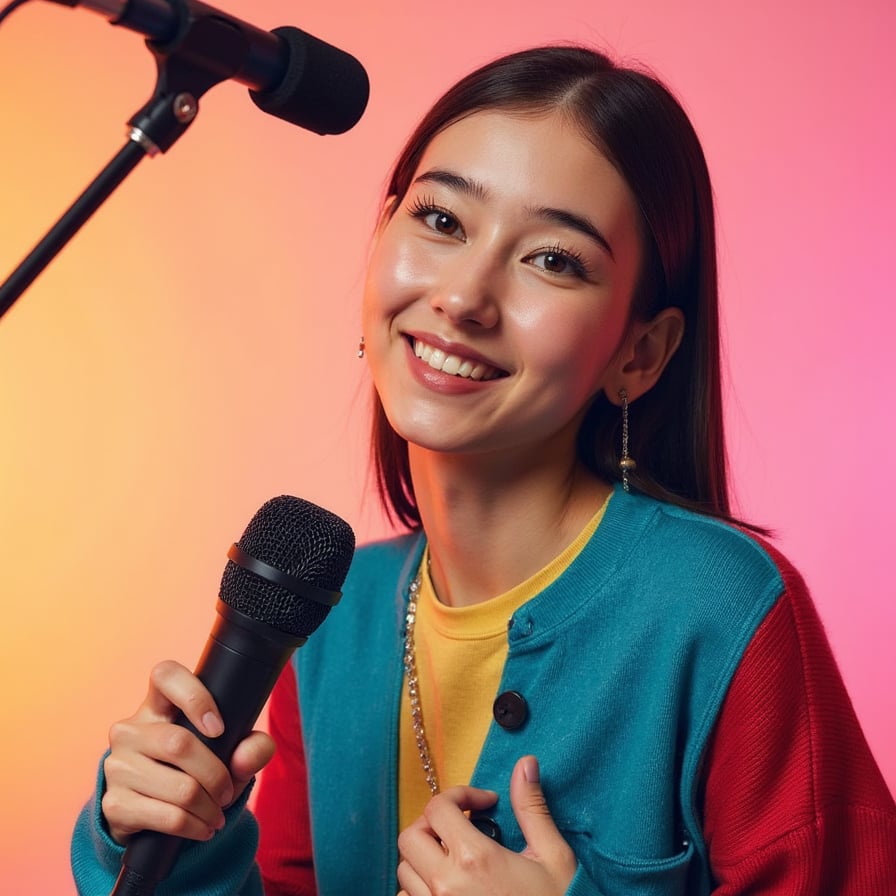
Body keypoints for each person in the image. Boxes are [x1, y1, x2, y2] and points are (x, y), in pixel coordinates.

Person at [71, 45, 896, 896]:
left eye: (553, 260)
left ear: (640, 353)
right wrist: (172, 838)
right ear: (381, 239)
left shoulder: (722, 614)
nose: (465, 295)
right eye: (440, 221)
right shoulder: (330, 618)